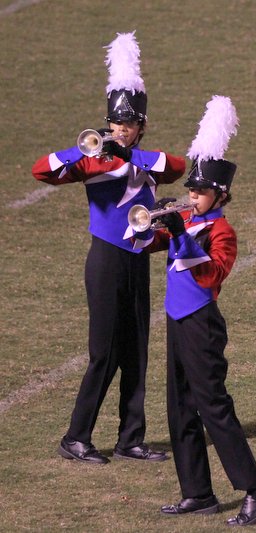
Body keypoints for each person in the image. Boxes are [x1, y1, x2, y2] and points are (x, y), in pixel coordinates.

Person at [32, 32, 184, 464]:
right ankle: (75, 437)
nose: (121, 129)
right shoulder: (93, 160)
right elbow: (42, 170)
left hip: (137, 260)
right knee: (104, 352)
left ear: (141, 127)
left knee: (136, 351)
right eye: (116, 123)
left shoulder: (146, 161)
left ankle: (130, 439)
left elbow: (176, 166)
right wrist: (85, 147)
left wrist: (127, 156)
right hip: (105, 261)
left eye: (128, 124)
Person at [138, 96, 256, 527]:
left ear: (220, 194)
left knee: (214, 408)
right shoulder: (186, 221)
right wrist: (153, 222)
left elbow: (211, 275)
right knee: (180, 409)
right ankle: (198, 492)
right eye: (191, 190)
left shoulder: (222, 231)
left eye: (200, 191)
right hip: (177, 322)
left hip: (202, 324)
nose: (192, 196)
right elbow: (138, 241)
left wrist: (180, 235)